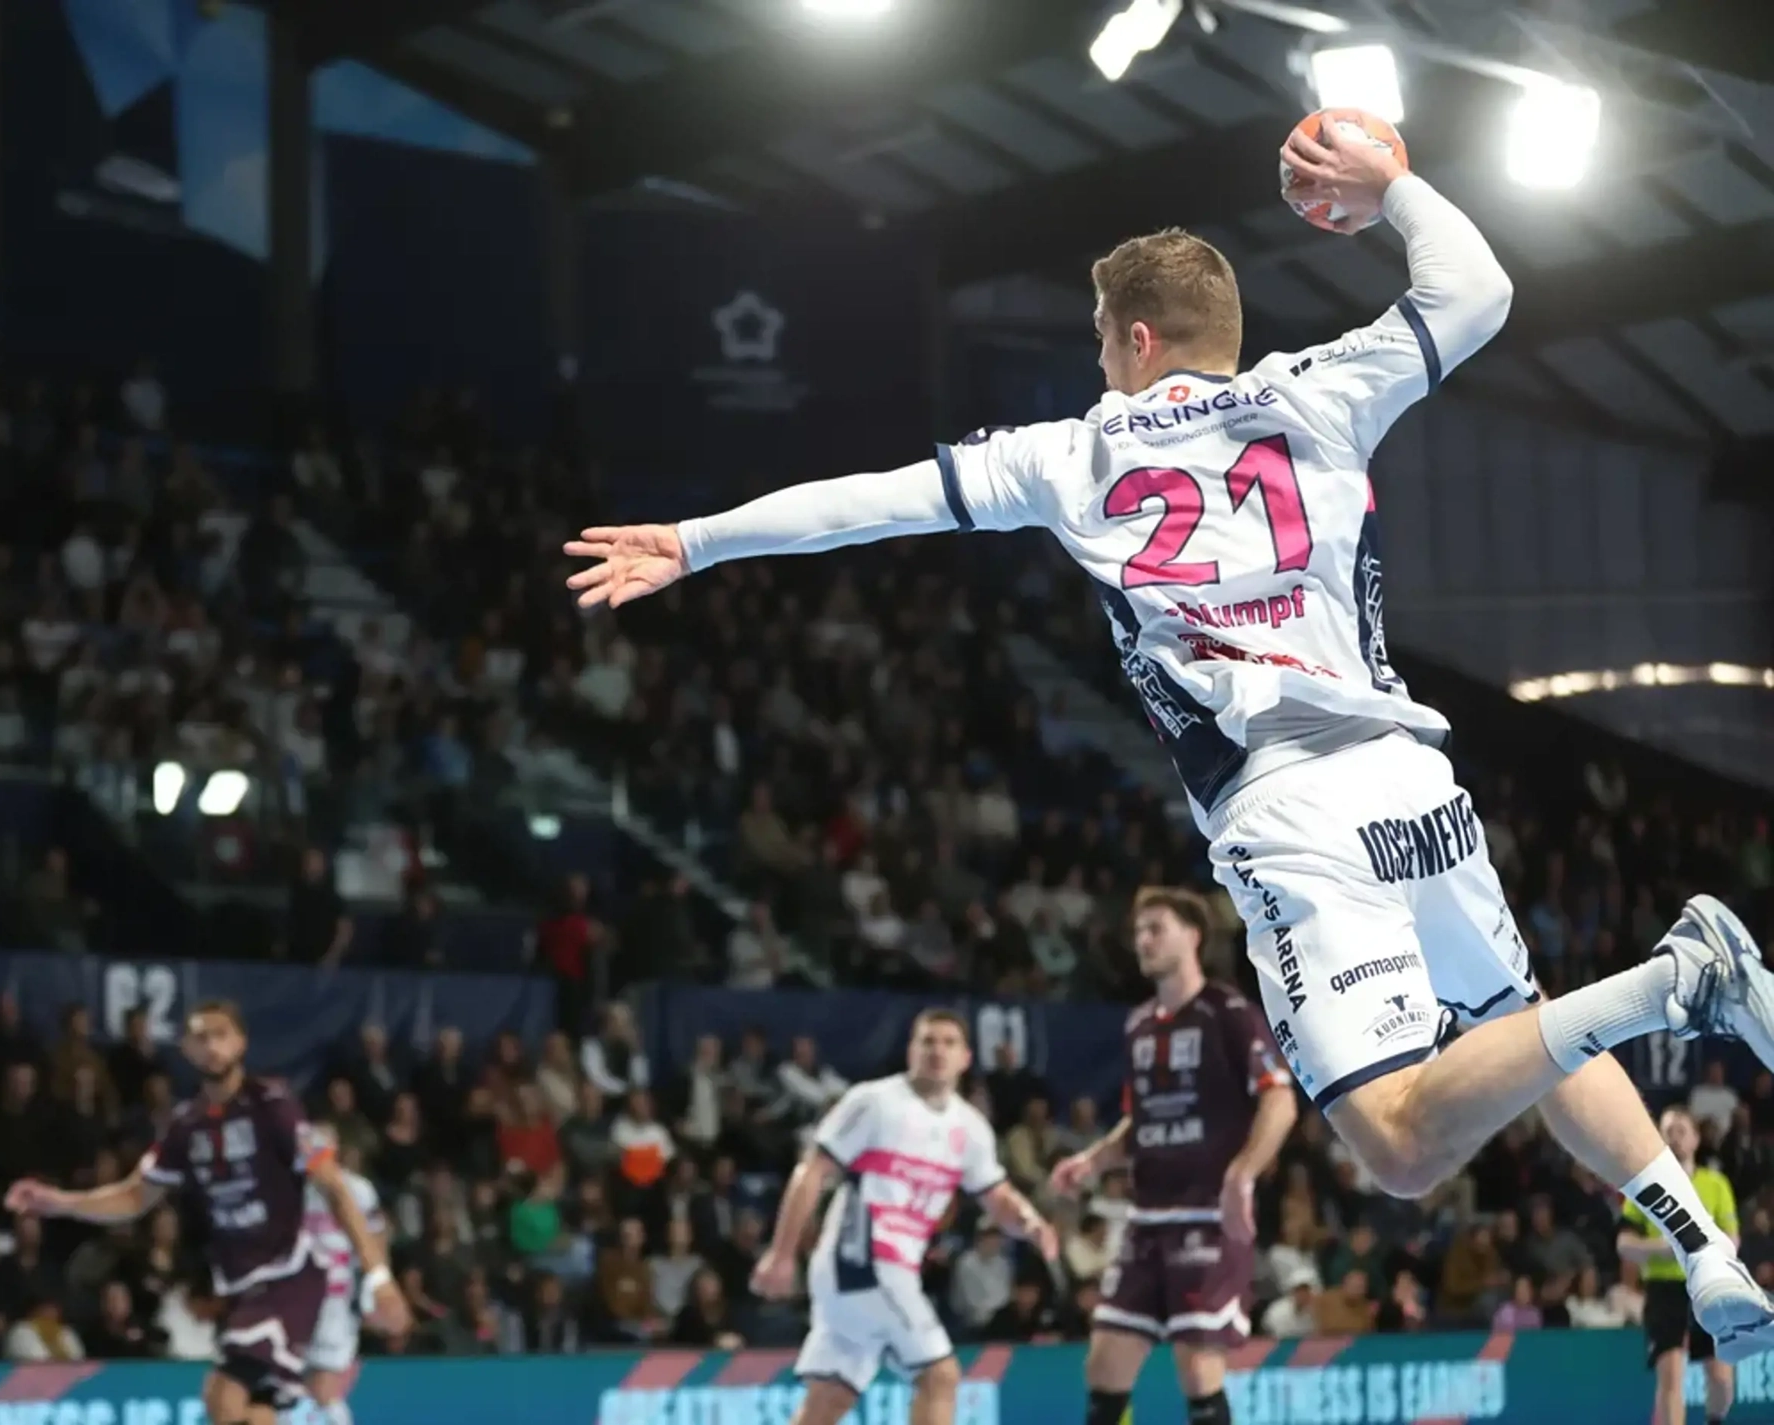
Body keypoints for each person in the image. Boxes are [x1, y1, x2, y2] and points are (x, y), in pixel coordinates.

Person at [562, 129, 1774, 1355]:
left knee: (1401, 1146)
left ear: (1137, 340)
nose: (1097, 353)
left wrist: (697, 539)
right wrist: (1393, 186)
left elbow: (874, 502)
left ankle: (1678, 978)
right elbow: (1480, 291)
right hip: (1413, 778)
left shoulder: (1078, 450)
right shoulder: (1320, 389)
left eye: (1100, 332)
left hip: (1290, 807)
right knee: (1518, 1022)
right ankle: (1705, 1245)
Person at [7, 1000, 409, 1425]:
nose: (212, 1046)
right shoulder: (185, 1126)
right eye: (201, 1037)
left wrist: (380, 1277)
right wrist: (59, 1202)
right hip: (242, 1289)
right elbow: (134, 1197)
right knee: (255, 1412)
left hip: (288, 1277)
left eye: (221, 1035)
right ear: (185, 1048)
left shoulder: (272, 1104)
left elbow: (335, 1187)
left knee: (224, 1396)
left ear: (241, 1043)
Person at [1051, 887, 1297, 1425]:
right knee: (1105, 1367)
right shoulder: (1138, 1023)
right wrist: (1092, 1160)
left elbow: (1279, 1101)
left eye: (1156, 927)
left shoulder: (1228, 1012)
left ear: (1193, 935)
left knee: (1197, 1365)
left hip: (1209, 1218)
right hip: (1146, 1223)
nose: (1143, 939)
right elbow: (1140, 1120)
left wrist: (1242, 1174)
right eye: (1139, 931)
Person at [751, 1010, 1058, 1425]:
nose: (937, 1051)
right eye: (928, 1041)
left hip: (883, 1272)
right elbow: (813, 1171)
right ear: (911, 1050)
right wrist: (782, 1253)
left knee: (828, 1401)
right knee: (940, 1376)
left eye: (949, 1043)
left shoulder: (971, 1128)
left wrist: (1030, 1222)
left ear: (966, 1058)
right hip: (861, 1260)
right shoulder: (873, 1101)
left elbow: (997, 1197)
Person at [1621, 1106, 1740, 1425]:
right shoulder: (1643, 1187)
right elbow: (1624, 1245)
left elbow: (1733, 1240)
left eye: (1681, 1131)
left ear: (1696, 1139)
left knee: (1721, 1378)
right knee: (1671, 1374)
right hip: (1664, 1289)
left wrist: (1701, 1251)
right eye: (1667, 1132)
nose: (1674, 1138)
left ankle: (1715, 1420)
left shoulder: (1716, 1184)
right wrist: (1660, 1248)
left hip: (1709, 1285)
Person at [302, 1130, 386, 1425]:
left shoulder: (358, 1190)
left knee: (324, 1390)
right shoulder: (291, 1190)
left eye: (323, 1143)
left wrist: (376, 1289)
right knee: (299, 1393)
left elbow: (377, 1240)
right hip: (295, 1304)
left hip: (339, 1303)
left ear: (335, 1147)